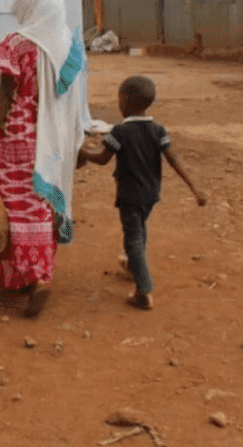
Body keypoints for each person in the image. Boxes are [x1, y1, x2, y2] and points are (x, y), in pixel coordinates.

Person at [0, 0, 85, 317]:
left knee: (12, 207)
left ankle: (17, 276)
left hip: (19, 137)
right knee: (40, 205)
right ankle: (39, 275)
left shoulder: (18, 45)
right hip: (55, 140)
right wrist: (76, 143)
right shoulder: (68, 45)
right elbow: (75, 101)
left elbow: (5, 97)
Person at [78, 75, 206, 310]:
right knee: (140, 229)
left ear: (125, 101)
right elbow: (174, 159)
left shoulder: (120, 132)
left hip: (130, 196)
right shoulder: (158, 130)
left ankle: (143, 290)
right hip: (150, 194)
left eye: (119, 99)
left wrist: (82, 152)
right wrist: (194, 187)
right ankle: (132, 266)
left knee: (133, 238)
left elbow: (103, 159)